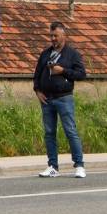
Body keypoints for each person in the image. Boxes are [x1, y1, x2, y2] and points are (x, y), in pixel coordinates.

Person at [33, 21, 88, 179]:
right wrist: (37, 90)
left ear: (64, 35)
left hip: (64, 98)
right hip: (47, 100)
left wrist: (62, 70)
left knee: (70, 131)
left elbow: (81, 74)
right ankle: (53, 166)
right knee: (49, 133)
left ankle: (79, 165)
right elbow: (36, 75)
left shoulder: (72, 54)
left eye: (55, 35)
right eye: (51, 35)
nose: (53, 38)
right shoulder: (45, 54)